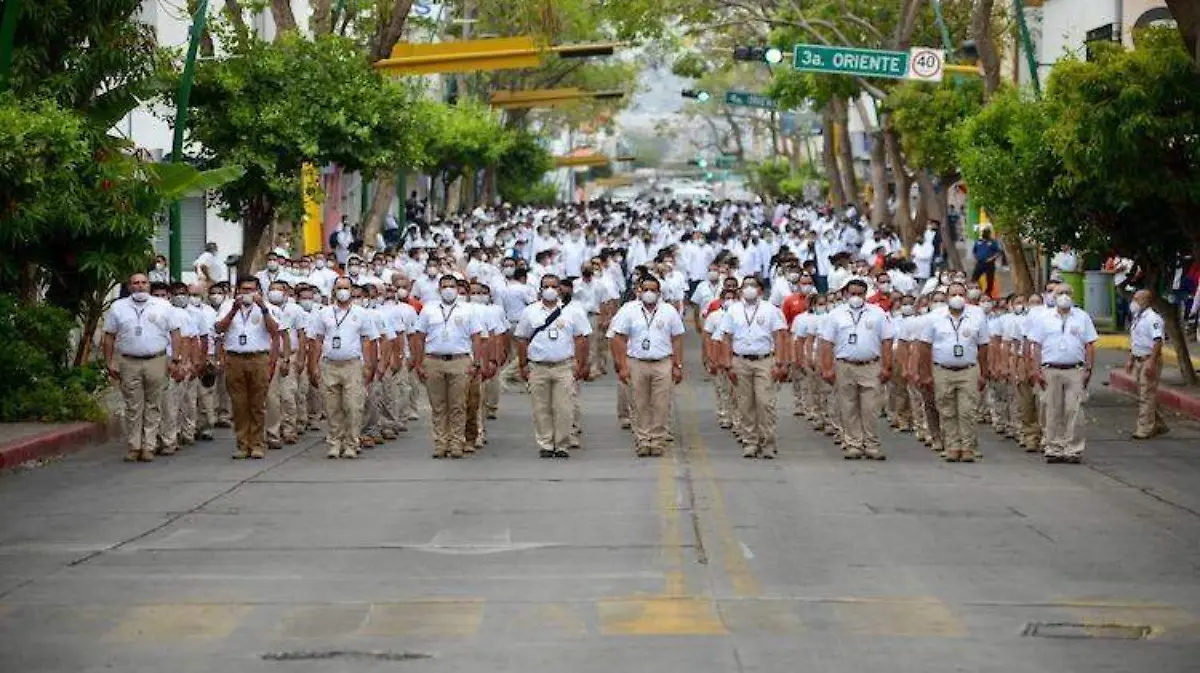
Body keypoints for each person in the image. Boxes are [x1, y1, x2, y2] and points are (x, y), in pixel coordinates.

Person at [101, 273, 184, 462]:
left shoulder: (163, 306)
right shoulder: (118, 307)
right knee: (132, 405)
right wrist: (109, 361)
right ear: (129, 287)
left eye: (143, 283)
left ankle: (149, 446)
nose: (140, 286)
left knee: (153, 404)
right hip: (128, 361)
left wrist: (175, 359)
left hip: (156, 359)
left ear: (149, 285)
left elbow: (175, 333)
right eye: (135, 283)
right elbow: (109, 336)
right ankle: (134, 446)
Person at [411, 274, 490, 459]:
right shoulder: (429, 310)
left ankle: (456, 442)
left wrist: (476, 362)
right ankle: (440, 443)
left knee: (458, 405)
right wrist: (419, 362)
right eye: (444, 286)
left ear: (457, 289)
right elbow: (419, 337)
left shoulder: (467, 310)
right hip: (434, 360)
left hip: (459, 360)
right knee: (438, 406)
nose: (448, 289)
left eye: (451, 286)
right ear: (439, 290)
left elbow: (477, 337)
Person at [515, 274, 591, 458]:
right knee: (541, 407)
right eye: (546, 286)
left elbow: (581, 338)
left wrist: (581, 363)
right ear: (540, 289)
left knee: (564, 406)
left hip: (563, 365)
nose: (550, 290)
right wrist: (523, 364)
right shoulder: (530, 311)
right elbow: (522, 338)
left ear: (560, 290)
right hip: (538, 366)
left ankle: (562, 443)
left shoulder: (572, 311)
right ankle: (546, 443)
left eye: (554, 286)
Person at [818, 278, 894, 460]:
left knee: (870, 408)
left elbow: (887, 341)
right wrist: (826, 368)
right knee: (848, 406)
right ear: (845, 294)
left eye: (860, 294)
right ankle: (853, 443)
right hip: (845, 365)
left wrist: (887, 366)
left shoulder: (877, 314)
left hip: (870, 365)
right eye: (853, 294)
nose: (856, 298)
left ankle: (871, 444)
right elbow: (826, 343)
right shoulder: (835, 315)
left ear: (866, 295)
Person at [610, 276, 686, 457]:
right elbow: (618, 338)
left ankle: (658, 440)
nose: (649, 294)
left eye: (653, 290)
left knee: (661, 404)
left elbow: (677, 339)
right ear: (639, 291)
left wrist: (677, 365)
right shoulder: (629, 311)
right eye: (646, 290)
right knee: (639, 403)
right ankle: (643, 440)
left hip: (662, 362)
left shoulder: (669, 311)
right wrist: (622, 365)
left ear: (659, 293)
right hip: (637, 362)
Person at [306, 277, 379, 459]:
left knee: (353, 406)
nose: (342, 291)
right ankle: (334, 442)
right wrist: (313, 366)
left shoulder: (362, 313)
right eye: (339, 288)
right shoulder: (324, 313)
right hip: (329, 364)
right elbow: (316, 340)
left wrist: (369, 366)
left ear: (351, 289)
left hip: (352, 364)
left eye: (346, 288)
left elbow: (369, 340)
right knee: (332, 407)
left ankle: (351, 443)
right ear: (333, 290)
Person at [716, 276, 788, 459]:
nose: (749, 289)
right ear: (741, 290)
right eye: (746, 286)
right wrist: (727, 364)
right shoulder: (733, 310)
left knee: (765, 403)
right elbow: (726, 337)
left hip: (764, 360)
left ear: (760, 290)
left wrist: (780, 362)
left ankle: (768, 443)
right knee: (745, 403)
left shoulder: (771, 310)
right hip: (740, 361)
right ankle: (750, 441)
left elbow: (780, 336)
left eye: (753, 286)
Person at [918, 282, 990, 463]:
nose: (957, 298)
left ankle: (967, 447)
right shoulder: (934, 317)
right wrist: (925, 374)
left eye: (960, 294)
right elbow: (925, 347)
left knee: (967, 411)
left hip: (968, 369)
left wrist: (984, 373)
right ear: (947, 297)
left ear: (965, 297)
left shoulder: (977, 315)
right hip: (943, 369)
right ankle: (952, 446)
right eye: (953, 294)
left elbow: (983, 347)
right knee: (947, 409)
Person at [1028, 283, 1097, 463]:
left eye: (1067, 292)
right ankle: (1054, 447)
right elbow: (1036, 346)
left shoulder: (1082, 317)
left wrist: (1088, 369)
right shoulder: (1044, 318)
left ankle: (1073, 449)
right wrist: (1036, 370)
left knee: (1074, 410)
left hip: (1075, 369)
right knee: (1052, 409)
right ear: (1053, 297)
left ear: (1072, 296)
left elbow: (1090, 345)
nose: (1064, 296)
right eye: (1060, 293)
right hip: (1050, 369)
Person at [214, 277, 281, 459]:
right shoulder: (228, 306)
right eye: (244, 289)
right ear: (237, 291)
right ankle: (243, 444)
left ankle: (258, 443)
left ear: (258, 291)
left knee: (258, 403)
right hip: (235, 358)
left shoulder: (268, 307)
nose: (247, 293)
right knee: (239, 403)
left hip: (258, 358)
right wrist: (234, 310)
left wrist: (263, 308)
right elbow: (219, 328)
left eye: (251, 289)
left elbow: (275, 331)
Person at [1126, 289, 1169, 439]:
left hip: (1149, 359)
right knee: (1145, 393)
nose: (1134, 302)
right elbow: (1136, 340)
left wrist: (1151, 361)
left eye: (1137, 299)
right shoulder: (1138, 317)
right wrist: (1130, 359)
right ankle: (1159, 423)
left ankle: (1144, 428)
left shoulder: (1153, 319)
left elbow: (1158, 341)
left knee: (1146, 394)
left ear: (1146, 301)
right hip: (1139, 358)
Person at [970, 229, 1003, 296]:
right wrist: (975, 258)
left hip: (989, 264)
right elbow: (974, 251)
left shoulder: (992, 242)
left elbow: (999, 252)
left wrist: (992, 258)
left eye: (986, 233)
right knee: (974, 278)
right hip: (980, 263)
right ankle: (974, 291)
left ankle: (988, 293)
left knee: (989, 280)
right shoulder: (978, 241)